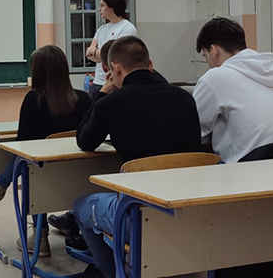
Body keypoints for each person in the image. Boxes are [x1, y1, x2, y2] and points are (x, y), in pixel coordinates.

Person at [73, 36, 202, 278]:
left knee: (80, 205)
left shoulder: (110, 104)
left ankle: (109, 272)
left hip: (138, 215)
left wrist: (101, 94)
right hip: (187, 211)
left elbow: (84, 140)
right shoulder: (185, 98)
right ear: (150, 65)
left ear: (115, 69)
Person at [0, 45, 91, 256]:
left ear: (37, 71)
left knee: (32, 166)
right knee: (39, 167)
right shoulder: (83, 99)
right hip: (80, 177)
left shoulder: (34, 100)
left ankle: (39, 236)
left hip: (44, 178)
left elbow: (22, 143)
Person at [192, 17, 273, 163]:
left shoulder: (215, 77)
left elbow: (192, 132)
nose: (208, 64)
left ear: (214, 50)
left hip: (249, 169)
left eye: (206, 56)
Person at [84, 0, 137, 99]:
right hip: (98, 81)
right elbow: (89, 53)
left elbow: (115, 56)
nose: (99, 9)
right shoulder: (102, 28)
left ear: (112, 7)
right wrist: (102, 55)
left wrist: (96, 52)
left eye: (102, 5)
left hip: (115, 83)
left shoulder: (127, 28)